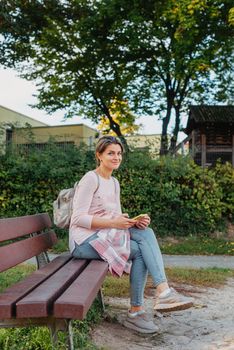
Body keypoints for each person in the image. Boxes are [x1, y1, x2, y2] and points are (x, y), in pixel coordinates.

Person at [69, 135, 194, 334]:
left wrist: (134, 221)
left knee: (145, 234)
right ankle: (156, 297)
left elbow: (116, 216)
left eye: (119, 153)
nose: (116, 157)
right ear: (99, 155)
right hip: (83, 242)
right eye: (111, 153)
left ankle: (140, 308)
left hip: (105, 235)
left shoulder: (115, 182)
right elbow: (77, 219)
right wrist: (114, 222)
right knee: (141, 247)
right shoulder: (90, 179)